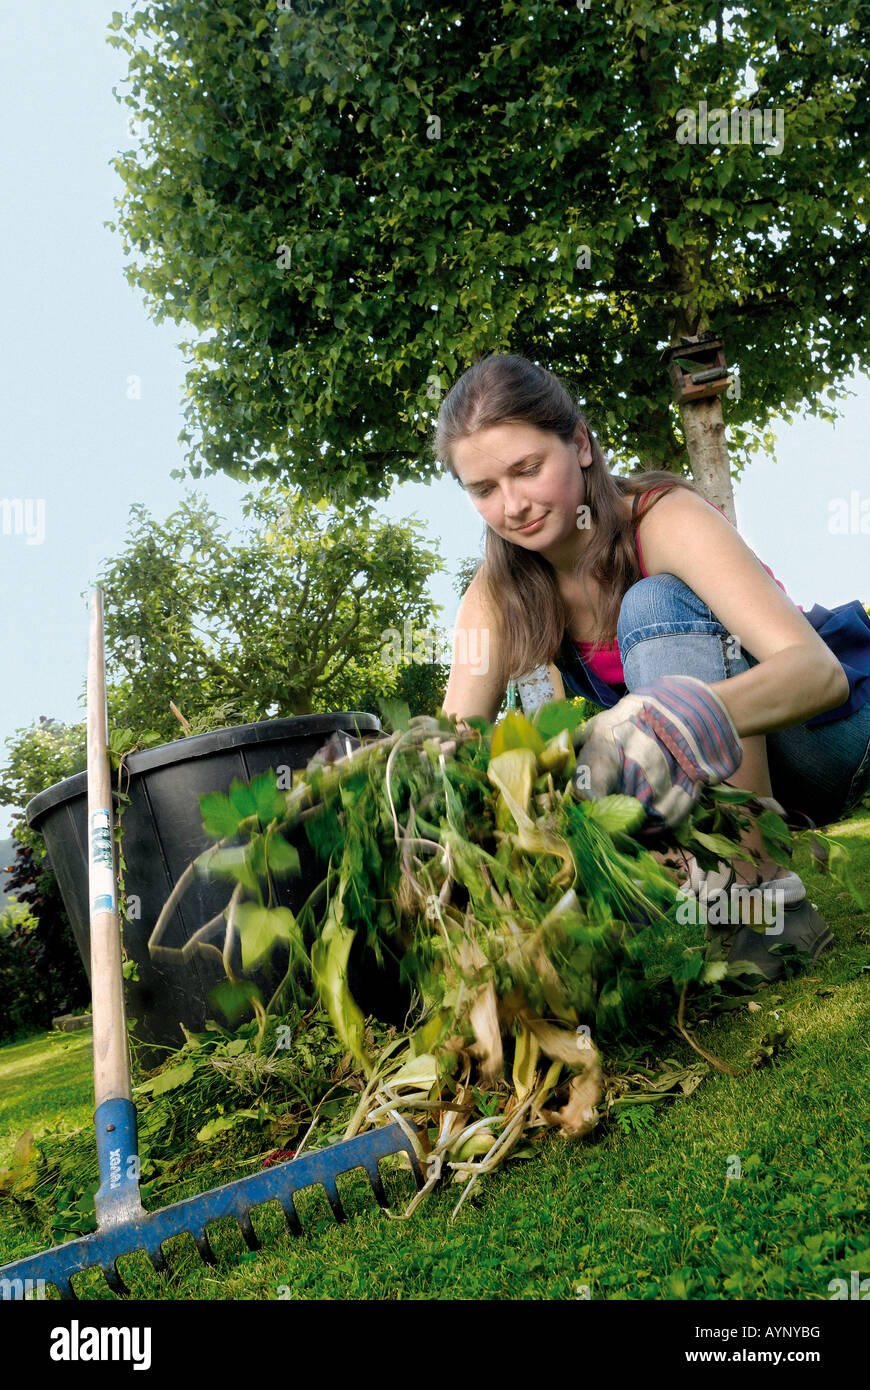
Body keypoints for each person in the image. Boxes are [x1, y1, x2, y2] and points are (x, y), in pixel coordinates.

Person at [435, 354, 870, 981]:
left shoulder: (663, 520)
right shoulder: (499, 593)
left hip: (822, 741)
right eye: (483, 489)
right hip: (711, 789)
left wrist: (667, 720)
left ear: (581, 444)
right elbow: (455, 748)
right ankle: (712, 894)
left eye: (527, 469)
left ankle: (766, 904)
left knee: (652, 603)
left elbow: (817, 673)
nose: (514, 506)